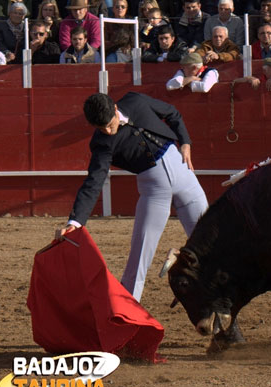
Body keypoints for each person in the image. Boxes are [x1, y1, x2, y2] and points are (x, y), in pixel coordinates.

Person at [55, 92, 208, 302]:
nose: (109, 131)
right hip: (154, 188)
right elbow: (94, 181)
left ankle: (215, 297)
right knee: (139, 257)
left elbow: (173, 114)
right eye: (102, 129)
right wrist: (76, 221)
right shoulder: (102, 143)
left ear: (116, 109)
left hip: (184, 174)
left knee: (210, 242)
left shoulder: (136, 101)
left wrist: (185, 142)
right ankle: (127, 311)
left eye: (110, 124)